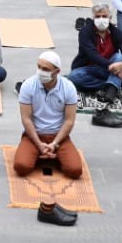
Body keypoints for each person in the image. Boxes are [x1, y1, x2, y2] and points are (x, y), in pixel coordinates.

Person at [16, 52, 83, 227]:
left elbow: (69, 121)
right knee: (21, 167)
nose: (40, 71)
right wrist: (38, 144)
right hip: (34, 136)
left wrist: (54, 144)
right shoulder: (28, 86)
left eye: (45, 69)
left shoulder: (68, 88)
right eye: (39, 67)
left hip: (59, 136)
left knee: (75, 170)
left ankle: (47, 156)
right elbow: (26, 119)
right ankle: (43, 156)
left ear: (57, 71)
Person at [68, 3, 122, 115]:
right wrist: (113, 67)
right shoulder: (85, 32)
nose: (101, 19)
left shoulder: (117, 33)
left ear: (110, 18)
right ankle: (114, 83)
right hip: (90, 67)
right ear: (93, 18)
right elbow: (92, 54)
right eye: (98, 17)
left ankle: (111, 89)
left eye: (104, 16)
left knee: (119, 57)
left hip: (110, 67)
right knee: (74, 77)